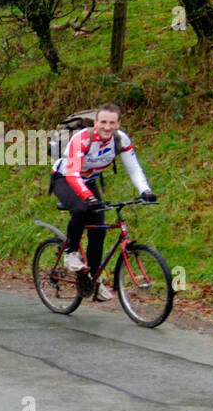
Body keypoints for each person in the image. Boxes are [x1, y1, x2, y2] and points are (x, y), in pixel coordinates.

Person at [51, 103, 157, 301]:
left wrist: (145, 190)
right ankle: (70, 252)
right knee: (82, 208)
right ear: (95, 122)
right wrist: (87, 197)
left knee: (98, 230)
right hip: (65, 178)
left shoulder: (120, 139)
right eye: (103, 122)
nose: (107, 127)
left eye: (112, 122)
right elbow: (73, 174)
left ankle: (92, 278)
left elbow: (133, 167)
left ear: (118, 123)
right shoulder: (82, 138)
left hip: (88, 181)